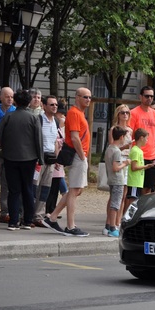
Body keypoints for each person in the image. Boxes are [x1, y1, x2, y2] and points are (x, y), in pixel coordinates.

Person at [43, 88, 92, 237]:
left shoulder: (79, 113)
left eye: (90, 97)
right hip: (78, 155)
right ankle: (70, 226)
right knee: (74, 190)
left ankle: (52, 217)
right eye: (85, 97)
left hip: (79, 155)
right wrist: (82, 156)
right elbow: (75, 137)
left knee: (76, 190)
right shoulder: (75, 113)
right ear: (77, 97)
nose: (88, 100)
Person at [0, 89, 43, 230]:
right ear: (28, 102)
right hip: (29, 158)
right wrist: (40, 158)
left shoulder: (8, 116)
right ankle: (27, 220)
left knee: (13, 190)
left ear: (15, 100)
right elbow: (38, 139)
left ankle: (13, 221)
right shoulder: (33, 118)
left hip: (10, 157)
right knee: (27, 188)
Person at [32, 95, 62, 227]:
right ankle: (27, 214)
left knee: (45, 188)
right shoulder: (39, 120)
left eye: (56, 105)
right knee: (33, 187)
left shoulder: (56, 122)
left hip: (50, 159)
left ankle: (39, 215)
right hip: (39, 158)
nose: (55, 107)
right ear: (44, 106)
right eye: (51, 104)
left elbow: (55, 141)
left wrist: (57, 159)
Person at [128, 86, 155, 194]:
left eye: (151, 96)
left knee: (149, 187)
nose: (149, 98)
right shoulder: (133, 113)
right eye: (147, 96)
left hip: (152, 156)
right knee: (136, 188)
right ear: (141, 97)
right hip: (138, 155)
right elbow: (130, 134)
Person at [0, 87, 15, 224]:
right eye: (7, 96)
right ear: (0, 97)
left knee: (7, 184)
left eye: (12, 96)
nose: (10, 99)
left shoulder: (15, 113)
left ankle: (5, 212)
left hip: (10, 153)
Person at [107, 104, 133, 225]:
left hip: (127, 159)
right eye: (123, 112)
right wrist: (125, 147)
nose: (125, 115)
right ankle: (110, 222)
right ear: (118, 114)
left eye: (127, 112)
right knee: (115, 193)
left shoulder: (130, 130)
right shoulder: (114, 129)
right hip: (118, 158)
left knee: (124, 194)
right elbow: (113, 147)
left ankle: (118, 221)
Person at [103, 126, 131, 237]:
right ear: (121, 137)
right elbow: (116, 167)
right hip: (117, 180)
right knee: (115, 204)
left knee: (113, 203)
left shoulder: (110, 148)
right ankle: (113, 227)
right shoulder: (117, 152)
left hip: (111, 180)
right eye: (124, 137)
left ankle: (108, 225)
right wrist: (125, 163)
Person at [124, 128, 155, 214]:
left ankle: (129, 216)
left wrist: (147, 167)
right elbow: (133, 167)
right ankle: (127, 216)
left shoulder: (139, 151)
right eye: (146, 138)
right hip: (134, 181)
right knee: (132, 200)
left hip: (138, 181)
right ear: (141, 138)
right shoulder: (135, 151)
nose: (147, 141)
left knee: (135, 199)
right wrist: (146, 166)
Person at [46, 107, 68, 217]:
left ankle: (52, 208)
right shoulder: (57, 132)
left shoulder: (61, 131)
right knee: (52, 187)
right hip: (56, 161)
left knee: (55, 187)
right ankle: (49, 209)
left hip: (59, 163)